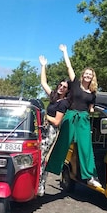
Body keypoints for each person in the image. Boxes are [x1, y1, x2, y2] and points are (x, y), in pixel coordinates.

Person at [45, 44, 102, 188]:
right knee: (62, 143)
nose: (88, 76)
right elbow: (69, 67)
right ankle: (51, 168)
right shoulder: (75, 83)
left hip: (83, 118)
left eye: (90, 75)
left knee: (85, 147)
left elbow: (91, 109)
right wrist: (65, 52)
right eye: (86, 74)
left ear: (92, 78)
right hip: (71, 116)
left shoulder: (93, 94)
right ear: (83, 75)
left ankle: (89, 175)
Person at [37, 55, 70, 196]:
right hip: (43, 130)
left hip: (51, 132)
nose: (61, 88)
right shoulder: (54, 98)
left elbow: (57, 121)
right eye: (60, 85)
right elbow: (43, 83)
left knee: (41, 157)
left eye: (65, 87)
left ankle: (40, 185)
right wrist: (43, 65)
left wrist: (45, 115)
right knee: (39, 157)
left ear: (67, 90)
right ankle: (38, 184)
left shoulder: (63, 103)